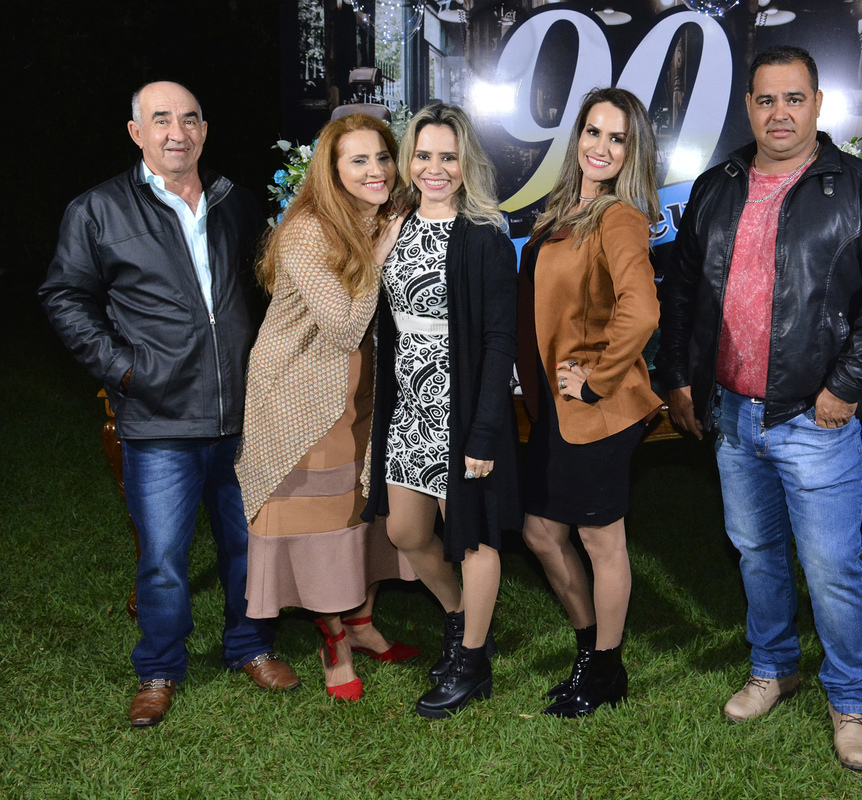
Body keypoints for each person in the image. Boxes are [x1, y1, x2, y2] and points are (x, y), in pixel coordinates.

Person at [655, 47, 862, 770]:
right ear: (748, 107)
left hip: (814, 416)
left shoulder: (860, 188)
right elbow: (682, 292)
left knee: (831, 565)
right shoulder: (716, 187)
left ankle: (851, 699)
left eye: (793, 98)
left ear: (818, 104)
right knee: (756, 551)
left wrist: (846, 387)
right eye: (766, 100)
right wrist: (678, 377)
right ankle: (772, 666)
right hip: (732, 416)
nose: (779, 114)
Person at [39, 81, 300, 727]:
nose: (176, 132)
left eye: (188, 119)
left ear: (204, 131)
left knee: (249, 545)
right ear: (137, 133)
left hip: (243, 416)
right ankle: (159, 669)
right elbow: (64, 296)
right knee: (161, 560)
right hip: (158, 417)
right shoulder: (98, 210)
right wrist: (124, 369)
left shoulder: (236, 202)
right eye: (161, 119)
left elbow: (266, 290)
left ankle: (250, 646)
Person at [236, 113, 420, 702]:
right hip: (301, 397)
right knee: (320, 521)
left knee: (361, 510)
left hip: (365, 393)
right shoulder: (307, 231)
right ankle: (333, 642)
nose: (375, 170)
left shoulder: (381, 217)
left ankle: (361, 624)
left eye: (382, 157)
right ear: (331, 170)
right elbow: (342, 328)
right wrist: (380, 256)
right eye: (358, 160)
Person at [361, 103, 521, 718]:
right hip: (409, 404)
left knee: (472, 536)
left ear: (466, 163)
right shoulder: (394, 225)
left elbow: (500, 341)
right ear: (409, 160)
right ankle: (461, 619)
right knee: (405, 531)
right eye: (424, 155)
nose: (435, 168)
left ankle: (472, 663)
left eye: (448, 157)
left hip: (463, 409)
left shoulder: (485, 236)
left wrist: (484, 432)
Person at [516, 87, 661, 718]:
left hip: (599, 409)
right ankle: (592, 651)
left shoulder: (617, 216)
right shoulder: (567, 210)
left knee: (602, 542)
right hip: (558, 407)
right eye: (593, 132)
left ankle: (604, 670)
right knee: (540, 532)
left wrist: (598, 379)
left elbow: (643, 310)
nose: (601, 146)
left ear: (633, 151)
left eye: (617, 138)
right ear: (577, 137)